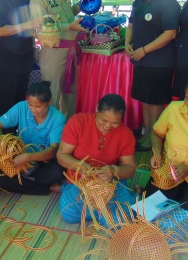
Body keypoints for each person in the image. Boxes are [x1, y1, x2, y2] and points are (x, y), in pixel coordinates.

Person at [125, 0, 181, 151]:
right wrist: (127, 43)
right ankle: (147, 134)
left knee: (155, 100)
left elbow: (170, 33)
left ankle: (155, 138)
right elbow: (131, 25)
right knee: (145, 99)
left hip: (160, 61)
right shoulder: (139, 1)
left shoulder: (169, 3)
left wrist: (144, 50)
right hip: (140, 59)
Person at [57, 94, 136, 225]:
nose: (108, 126)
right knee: (68, 214)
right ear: (97, 108)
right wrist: (81, 167)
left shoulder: (126, 134)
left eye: (115, 123)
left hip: (110, 184)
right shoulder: (78, 122)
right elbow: (61, 155)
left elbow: (130, 169)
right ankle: (98, 211)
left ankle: (131, 197)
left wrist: (113, 170)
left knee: (118, 222)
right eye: (104, 120)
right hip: (80, 181)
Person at [146, 77, 188, 224]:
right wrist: (157, 153)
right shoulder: (174, 109)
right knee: (146, 212)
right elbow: (156, 134)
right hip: (169, 174)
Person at [29, 0, 87, 120]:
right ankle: (49, 130)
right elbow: (43, 26)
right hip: (53, 52)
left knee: (70, 95)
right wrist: (70, 27)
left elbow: (67, 15)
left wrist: (80, 6)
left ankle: (67, 129)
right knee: (51, 94)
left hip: (71, 52)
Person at [0, 81, 66, 195]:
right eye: (30, 105)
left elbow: (53, 150)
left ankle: (30, 181)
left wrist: (28, 157)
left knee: (58, 172)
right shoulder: (21, 107)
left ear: (49, 102)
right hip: (19, 158)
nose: (33, 109)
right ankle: (47, 187)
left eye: (38, 106)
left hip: (44, 160)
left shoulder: (58, 118)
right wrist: (4, 145)